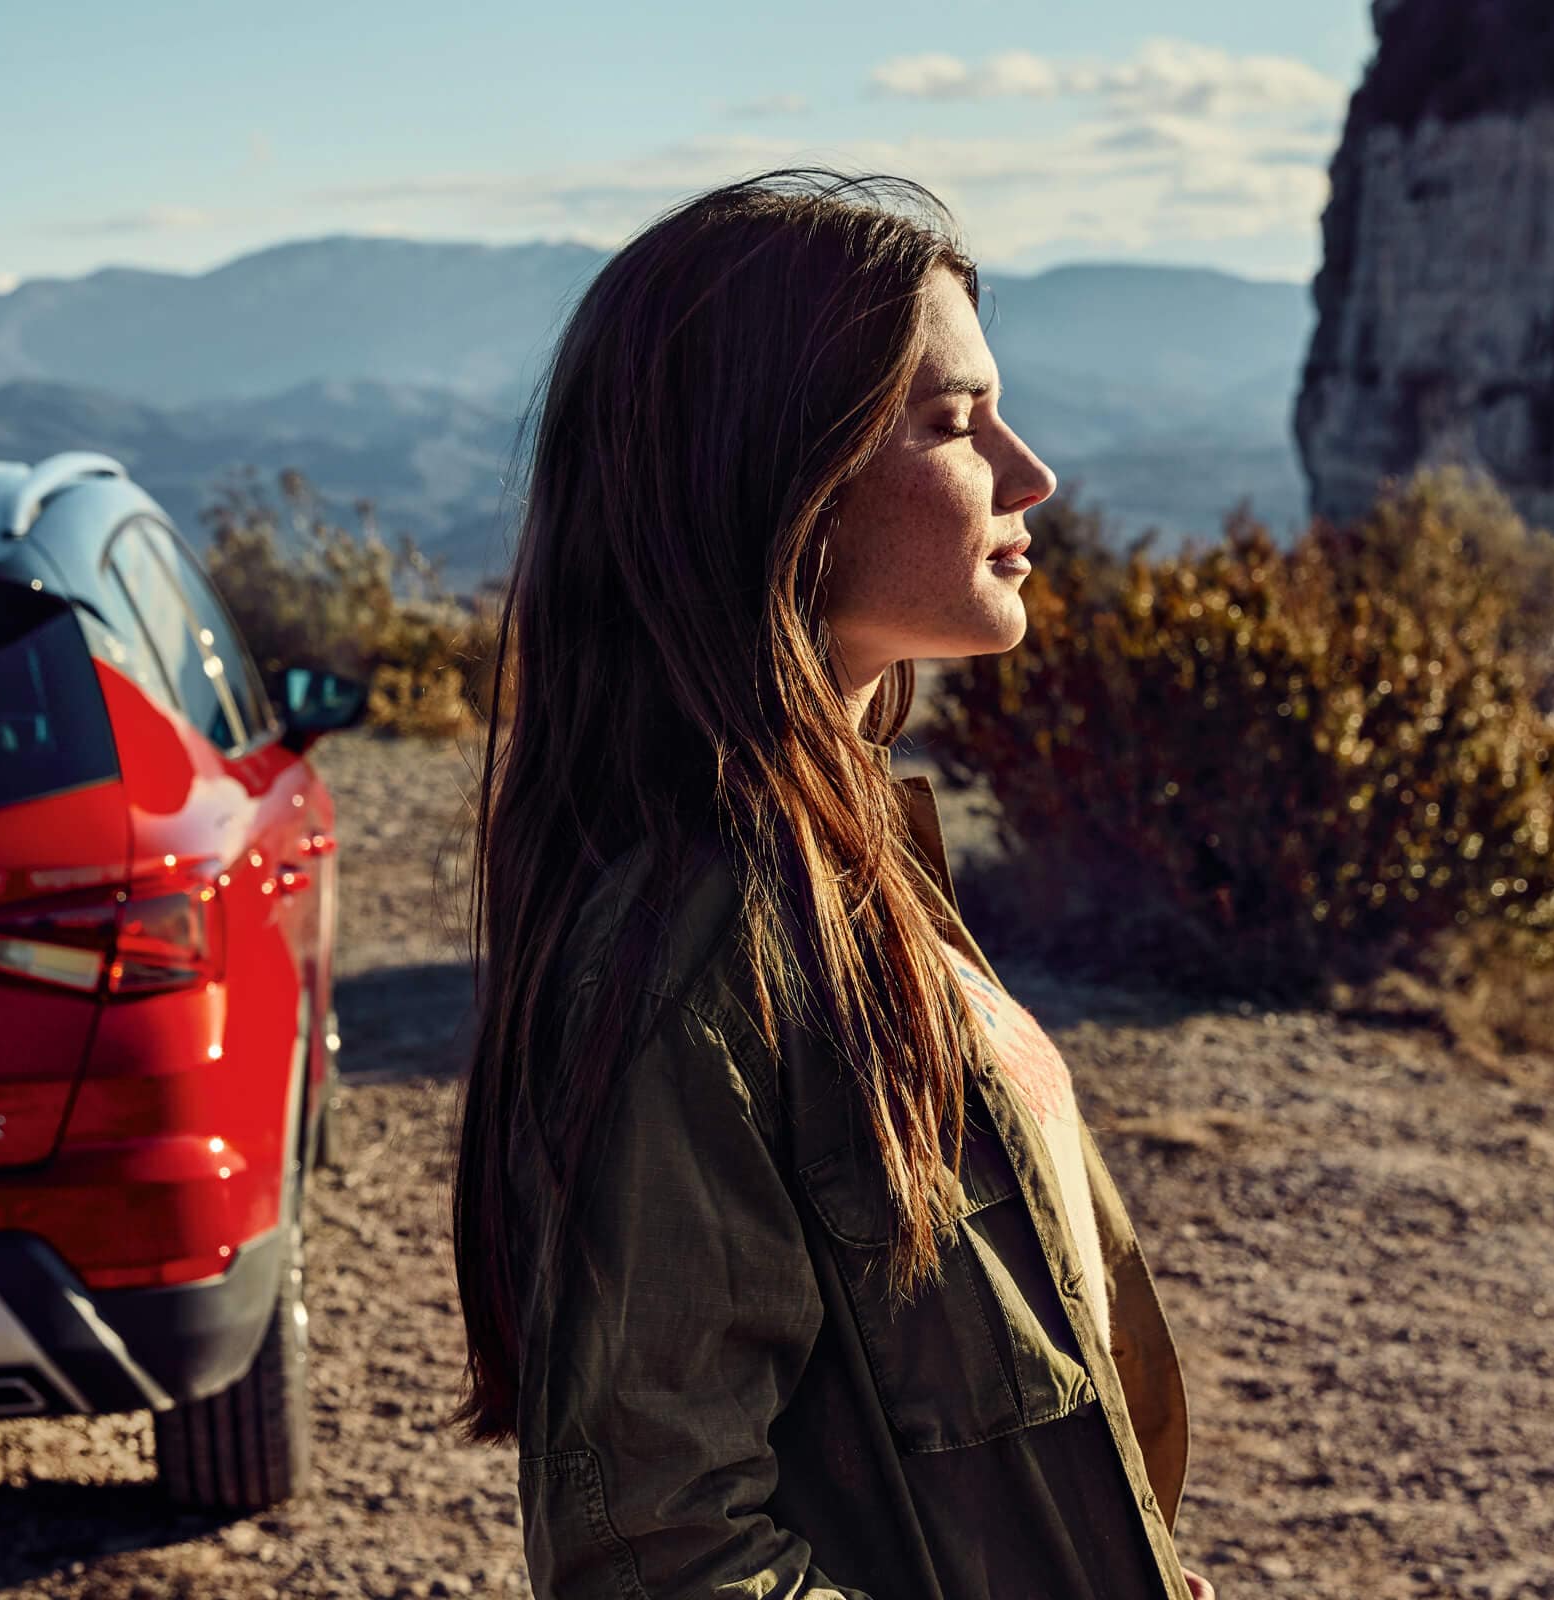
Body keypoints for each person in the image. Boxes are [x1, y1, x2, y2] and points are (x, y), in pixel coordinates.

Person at [448, 169, 1216, 1600]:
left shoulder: (851, 867)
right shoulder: (705, 946)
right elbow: (665, 1564)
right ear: (778, 476)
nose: (1028, 473)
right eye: (952, 423)